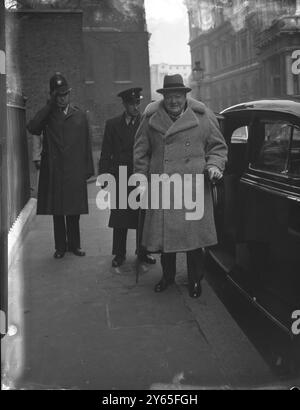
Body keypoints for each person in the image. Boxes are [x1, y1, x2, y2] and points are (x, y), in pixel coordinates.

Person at [134, 74, 228, 298]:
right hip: (162, 186)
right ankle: (167, 277)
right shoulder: (150, 119)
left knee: (194, 240)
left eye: (177, 96)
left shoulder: (202, 117)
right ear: (163, 98)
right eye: (169, 97)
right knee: (166, 238)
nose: (174, 101)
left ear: (185, 96)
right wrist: (141, 180)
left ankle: (195, 280)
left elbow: (217, 147)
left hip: (192, 187)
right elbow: (140, 153)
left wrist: (214, 165)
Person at [27, 72, 94, 259]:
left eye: (65, 94)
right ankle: (60, 247)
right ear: (53, 96)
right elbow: (32, 127)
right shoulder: (48, 115)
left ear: (69, 94)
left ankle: (75, 245)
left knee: (73, 210)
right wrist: (49, 105)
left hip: (74, 170)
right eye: (58, 95)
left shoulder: (79, 115)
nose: (63, 98)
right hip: (55, 170)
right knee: (58, 211)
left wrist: (88, 169)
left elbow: (86, 144)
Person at [98, 87, 156, 268]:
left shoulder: (147, 123)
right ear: (124, 105)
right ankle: (119, 253)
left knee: (142, 217)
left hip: (140, 175)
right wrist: (104, 177)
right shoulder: (113, 124)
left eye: (138, 102)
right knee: (120, 218)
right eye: (132, 104)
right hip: (120, 177)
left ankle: (143, 252)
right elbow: (106, 153)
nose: (135, 107)